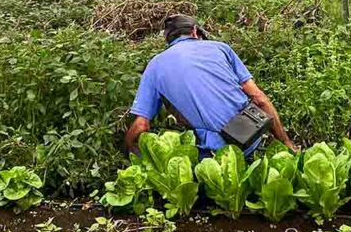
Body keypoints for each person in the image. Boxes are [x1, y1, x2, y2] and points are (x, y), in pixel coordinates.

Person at [125, 14, 297, 156]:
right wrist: (286, 142)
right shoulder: (221, 48)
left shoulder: (155, 65)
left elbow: (141, 125)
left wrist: (130, 149)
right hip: (249, 141)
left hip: (209, 157)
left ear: (169, 40)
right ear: (194, 31)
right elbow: (259, 98)